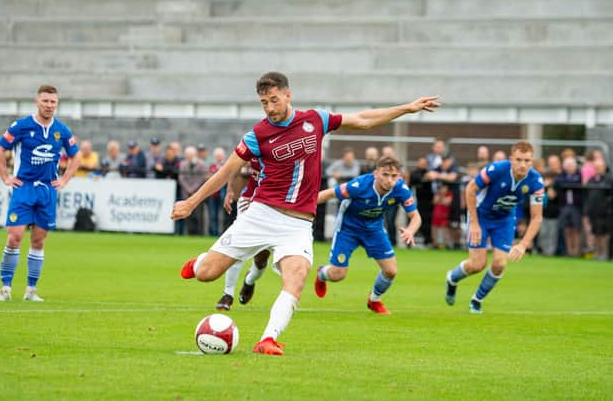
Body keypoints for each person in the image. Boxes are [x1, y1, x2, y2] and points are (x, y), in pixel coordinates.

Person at [173, 71, 439, 355]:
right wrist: (192, 202)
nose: (270, 108)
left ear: (288, 95)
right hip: (261, 215)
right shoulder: (257, 135)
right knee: (206, 274)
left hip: (298, 224)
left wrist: (406, 108)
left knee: (297, 277)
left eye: (274, 100)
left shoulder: (315, 119)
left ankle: (268, 339)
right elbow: (225, 172)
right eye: (264, 103)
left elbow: (362, 120)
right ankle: (199, 263)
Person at [0, 85, 80, 302]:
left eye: (53, 102)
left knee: (38, 242)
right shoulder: (21, 126)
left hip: (47, 190)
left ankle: (31, 290)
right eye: (45, 101)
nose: (49, 106)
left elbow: (75, 156)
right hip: (24, 188)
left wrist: (65, 178)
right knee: (14, 237)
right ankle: (5, 288)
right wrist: (5, 177)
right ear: (37, 101)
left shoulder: (61, 130)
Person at [313, 156, 421, 314]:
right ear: (376, 173)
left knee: (391, 271)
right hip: (348, 229)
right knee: (338, 275)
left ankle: (374, 300)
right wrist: (302, 207)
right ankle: (322, 274)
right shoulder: (359, 185)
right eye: (385, 174)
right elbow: (329, 194)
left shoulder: (401, 189)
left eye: (394, 176)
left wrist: (411, 230)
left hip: (374, 230)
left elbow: (416, 217)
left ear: (399, 177)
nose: (389, 180)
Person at [444, 141, 543, 314]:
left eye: (527, 160)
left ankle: (477, 300)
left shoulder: (535, 181)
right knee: (477, 264)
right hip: (480, 216)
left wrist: (523, 244)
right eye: (519, 160)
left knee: (499, 264)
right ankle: (452, 278)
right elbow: (470, 189)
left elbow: (537, 217)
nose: (522, 164)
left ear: (531, 161)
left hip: (504, 220)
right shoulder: (496, 170)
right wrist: (474, 223)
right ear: (511, 159)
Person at [215, 157, 270, 311]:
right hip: (248, 200)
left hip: (273, 206)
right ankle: (228, 294)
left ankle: (250, 280)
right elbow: (233, 165)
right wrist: (230, 190)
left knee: (261, 258)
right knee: (238, 246)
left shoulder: (289, 148)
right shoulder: (256, 143)